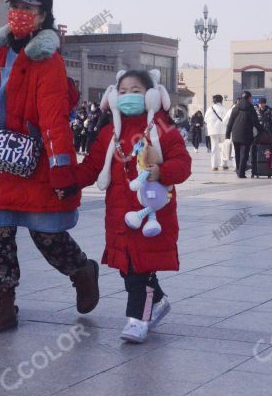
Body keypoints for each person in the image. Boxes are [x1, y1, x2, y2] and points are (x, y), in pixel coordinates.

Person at [0, 0, 99, 334]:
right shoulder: (1, 51)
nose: (18, 12)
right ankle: (4, 305)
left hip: (31, 160)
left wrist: (62, 171)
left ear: (42, 15)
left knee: (46, 233)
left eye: (27, 7)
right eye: (15, 6)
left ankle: (82, 270)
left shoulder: (47, 59)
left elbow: (54, 119)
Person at [68, 70, 192, 343]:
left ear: (150, 95)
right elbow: (92, 167)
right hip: (118, 215)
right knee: (129, 268)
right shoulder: (109, 133)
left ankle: (137, 320)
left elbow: (183, 164)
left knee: (140, 272)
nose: (128, 97)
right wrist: (65, 179)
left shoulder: (163, 129)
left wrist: (162, 171)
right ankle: (158, 302)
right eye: (122, 91)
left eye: (135, 91)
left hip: (152, 215)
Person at [226, 91, 263, 179]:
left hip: (235, 134)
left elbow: (230, 121)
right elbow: (255, 122)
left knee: (237, 153)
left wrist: (227, 134)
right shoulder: (250, 108)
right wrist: (261, 130)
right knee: (244, 154)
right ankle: (241, 173)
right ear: (249, 98)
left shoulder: (236, 107)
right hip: (246, 134)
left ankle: (239, 171)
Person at [205, 95, 228, 171]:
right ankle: (224, 164)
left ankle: (214, 166)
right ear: (221, 100)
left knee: (214, 148)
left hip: (212, 131)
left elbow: (205, 119)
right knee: (224, 148)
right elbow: (227, 119)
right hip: (222, 131)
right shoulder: (224, 109)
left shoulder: (209, 109)